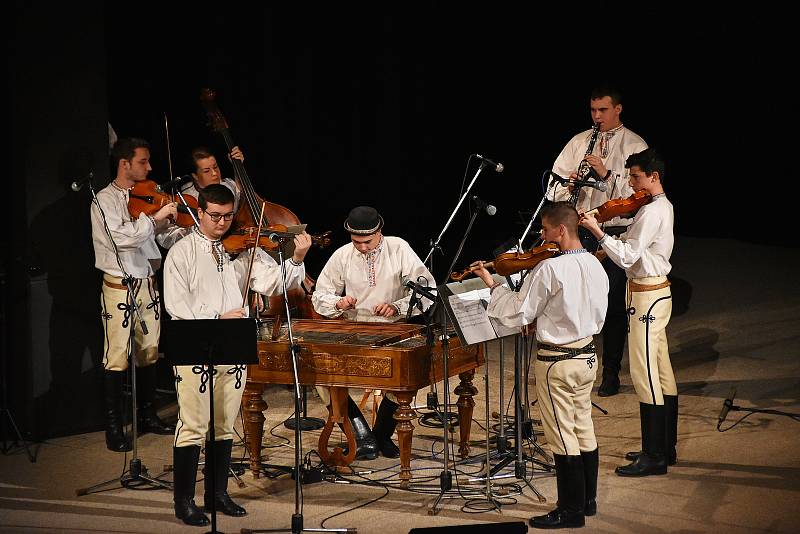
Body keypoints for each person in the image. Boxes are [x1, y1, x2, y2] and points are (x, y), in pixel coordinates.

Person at [163, 184, 311, 526]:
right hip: (196, 345)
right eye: (214, 216)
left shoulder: (246, 252)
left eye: (228, 216)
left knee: (224, 423)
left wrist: (297, 258)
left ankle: (217, 494)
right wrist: (217, 317)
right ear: (200, 212)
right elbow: (176, 304)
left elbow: (275, 283)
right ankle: (183, 500)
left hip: (233, 344)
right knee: (193, 425)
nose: (222, 223)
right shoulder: (182, 253)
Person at [474, 202, 608, 529]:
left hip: (557, 364)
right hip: (587, 356)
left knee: (562, 436)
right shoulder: (595, 263)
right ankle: (587, 502)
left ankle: (570, 511)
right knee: (583, 427)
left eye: (545, 230)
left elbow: (520, 312)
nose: (542, 237)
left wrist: (494, 286)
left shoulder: (549, 269)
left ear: (560, 230)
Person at [579, 148, 677, 477]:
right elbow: (636, 245)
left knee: (645, 374)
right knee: (661, 371)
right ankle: (666, 447)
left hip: (647, 296)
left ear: (654, 176)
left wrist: (598, 231)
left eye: (636, 177)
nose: (632, 184)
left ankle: (654, 456)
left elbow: (629, 256)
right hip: (655, 292)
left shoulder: (651, 212)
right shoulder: (658, 207)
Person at [311, 206, 434, 459]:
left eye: (367, 241)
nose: (363, 247)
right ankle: (362, 436)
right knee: (321, 376)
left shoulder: (398, 248)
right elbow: (319, 295)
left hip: (394, 330)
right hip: (354, 330)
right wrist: (338, 303)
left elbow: (426, 290)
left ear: (380, 232)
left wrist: (396, 306)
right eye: (357, 242)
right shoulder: (343, 255)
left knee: (404, 375)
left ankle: (380, 435)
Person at [548, 87, 649, 398]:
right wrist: (570, 184)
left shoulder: (635, 144)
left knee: (614, 306)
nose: (596, 117)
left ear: (617, 109)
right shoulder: (579, 141)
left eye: (602, 110)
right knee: (578, 301)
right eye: (593, 111)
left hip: (616, 233)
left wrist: (606, 174)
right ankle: (579, 365)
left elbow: (640, 196)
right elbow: (552, 188)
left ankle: (611, 373)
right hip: (582, 231)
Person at [91, 137, 187, 452]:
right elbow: (121, 239)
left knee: (148, 351)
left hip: (147, 283)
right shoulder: (104, 200)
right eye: (143, 162)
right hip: (119, 285)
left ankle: (147, 416)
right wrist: (154, 219)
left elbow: (162, 236)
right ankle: (113, 425)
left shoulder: (146, 197)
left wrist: (181, 227)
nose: (149, 167)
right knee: (117, 356)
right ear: (125, 164)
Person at [179, 146, 244, 213]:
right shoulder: (188, 196)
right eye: (206, 171)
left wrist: (238, 165)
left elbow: (241, 201)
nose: (214, 173)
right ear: (195, 176)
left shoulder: (229, 184)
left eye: (215, 167)